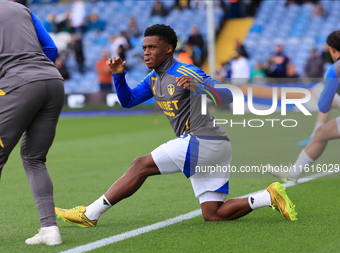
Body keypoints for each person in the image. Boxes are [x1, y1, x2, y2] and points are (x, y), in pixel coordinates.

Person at [55, 24, 297, 227]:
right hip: (214, 145)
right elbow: (128, 101)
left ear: (169, 49)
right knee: (213, 214)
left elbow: (230, 95)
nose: (146, 53)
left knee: (140, 165)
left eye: (152, 47)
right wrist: (119, 75)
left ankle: (90, 214)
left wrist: (198, 87)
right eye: (144, 48)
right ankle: (268, 196)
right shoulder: (153, 79)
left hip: (203, 140)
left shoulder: (185, 70)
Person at [0, 1, 64, 245]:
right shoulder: (21, 8)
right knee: (35, 159)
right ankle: (49, 229)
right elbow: (51, 47)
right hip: (53, 81)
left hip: (18, 83)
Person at [269, 30, 340, 183]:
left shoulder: (334, 70)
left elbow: (323, 105)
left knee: (321, 132)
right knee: (323, 128)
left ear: (333, 50)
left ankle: (292, 174)